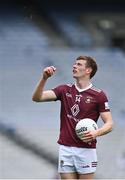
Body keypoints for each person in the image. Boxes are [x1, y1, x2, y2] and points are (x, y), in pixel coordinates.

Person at [32, 55, 113, 179]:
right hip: (66, 148)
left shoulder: (99, 95)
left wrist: (97, 133)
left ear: (88, 70)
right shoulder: (64, 89)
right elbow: (37, 98)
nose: (74, 66)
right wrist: (44, 78)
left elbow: (109, 124)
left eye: (79, 64)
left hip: (86, 150)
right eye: (74, 64)